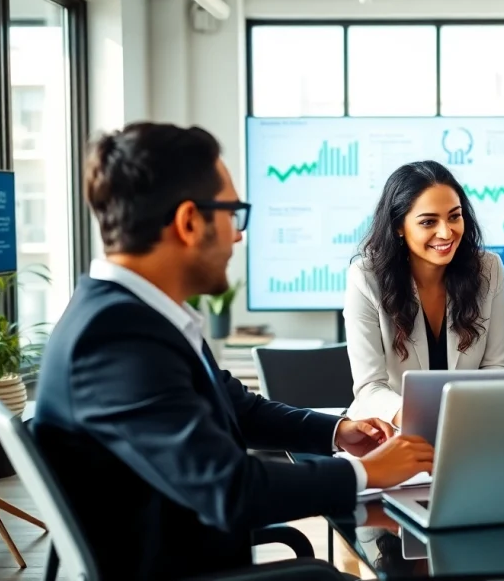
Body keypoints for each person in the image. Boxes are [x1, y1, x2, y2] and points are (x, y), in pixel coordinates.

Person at [31, 122, 434, 581]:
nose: (238, 236)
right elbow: (228, 487)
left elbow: (239, 409)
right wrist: (366, 475)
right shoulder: (115, 337)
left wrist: (340, 433)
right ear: (188, 222)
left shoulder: (140, 317)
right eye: (233, 215)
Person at [344, 160, 504, 426]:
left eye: (454, 216)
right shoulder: (366, 277)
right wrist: (423, 420)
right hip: (393, 428)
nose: (446, 232)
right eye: (428, 222)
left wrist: (466, 419)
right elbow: (370, 388)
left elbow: (496, 367)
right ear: (399, 226)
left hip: (470, 425)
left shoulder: (488, 269)